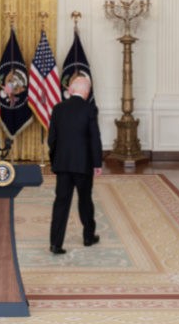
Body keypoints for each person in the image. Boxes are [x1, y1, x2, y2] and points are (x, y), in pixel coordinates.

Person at [47, 75, 103, 254]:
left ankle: (55, 244)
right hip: (83, 164)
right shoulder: (90, 109)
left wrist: (55, 159)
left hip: (62, 164)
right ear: (86, 92)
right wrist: (97, 163)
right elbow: (95, 138)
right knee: (85, 200)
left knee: (61, 202)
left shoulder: (58, 109)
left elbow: (51, 139)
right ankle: (88, 236)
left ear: (71, 90)